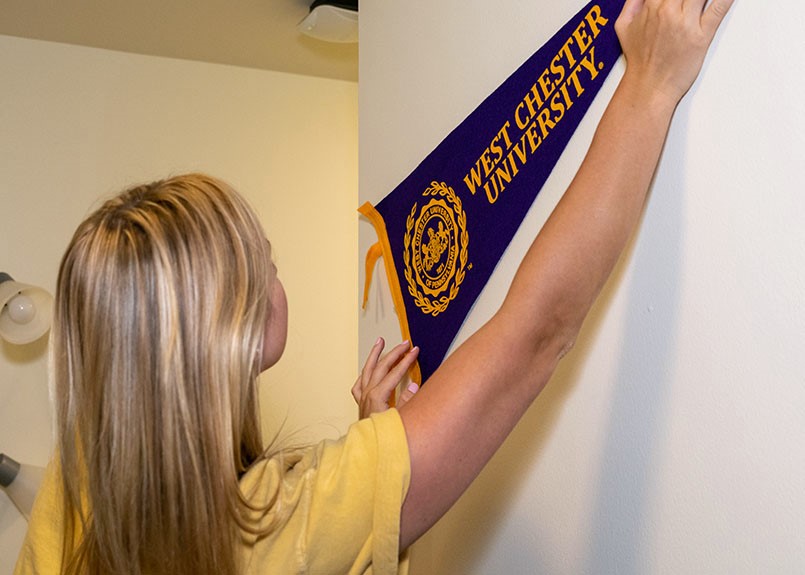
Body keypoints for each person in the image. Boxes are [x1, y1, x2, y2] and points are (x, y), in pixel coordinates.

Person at [15, 0, 733, 573]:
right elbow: (533, 333)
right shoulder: (279, 520)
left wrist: (373, 445)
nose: (275, 271)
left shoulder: (75, 493)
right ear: (223, 322)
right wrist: (648, 85)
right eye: (262, 260)